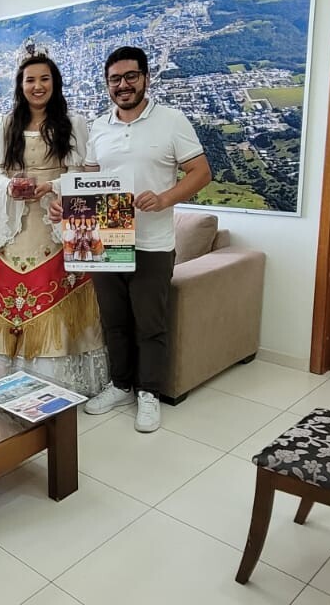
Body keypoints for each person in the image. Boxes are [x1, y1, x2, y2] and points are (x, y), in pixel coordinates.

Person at [68, 46, 211, 433]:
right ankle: (121, 385)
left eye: (130, 76)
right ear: (107, 84)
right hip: (106, 239)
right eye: (115, 79)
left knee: (150, 323)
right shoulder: (99, 126)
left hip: (153, 243)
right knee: (113, 321)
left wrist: (164, 198)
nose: (123, 85)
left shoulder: (171, 121)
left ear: (146, 78)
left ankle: (149, 392)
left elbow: (201, 172)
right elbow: (90, 181)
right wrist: (66, 208)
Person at [0, 48, 108, 395]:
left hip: (54, 220)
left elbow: (81, 173)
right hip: (12, 223)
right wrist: (7, 185)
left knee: (52, 288)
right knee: (10, 289)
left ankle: (55, 383)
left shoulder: (72, 124)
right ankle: (7, 379)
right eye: (30, 80)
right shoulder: (5, 124)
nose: (37, 86)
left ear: (55, 84)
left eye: (45, 79)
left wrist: (53, 186)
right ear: (21, 85)